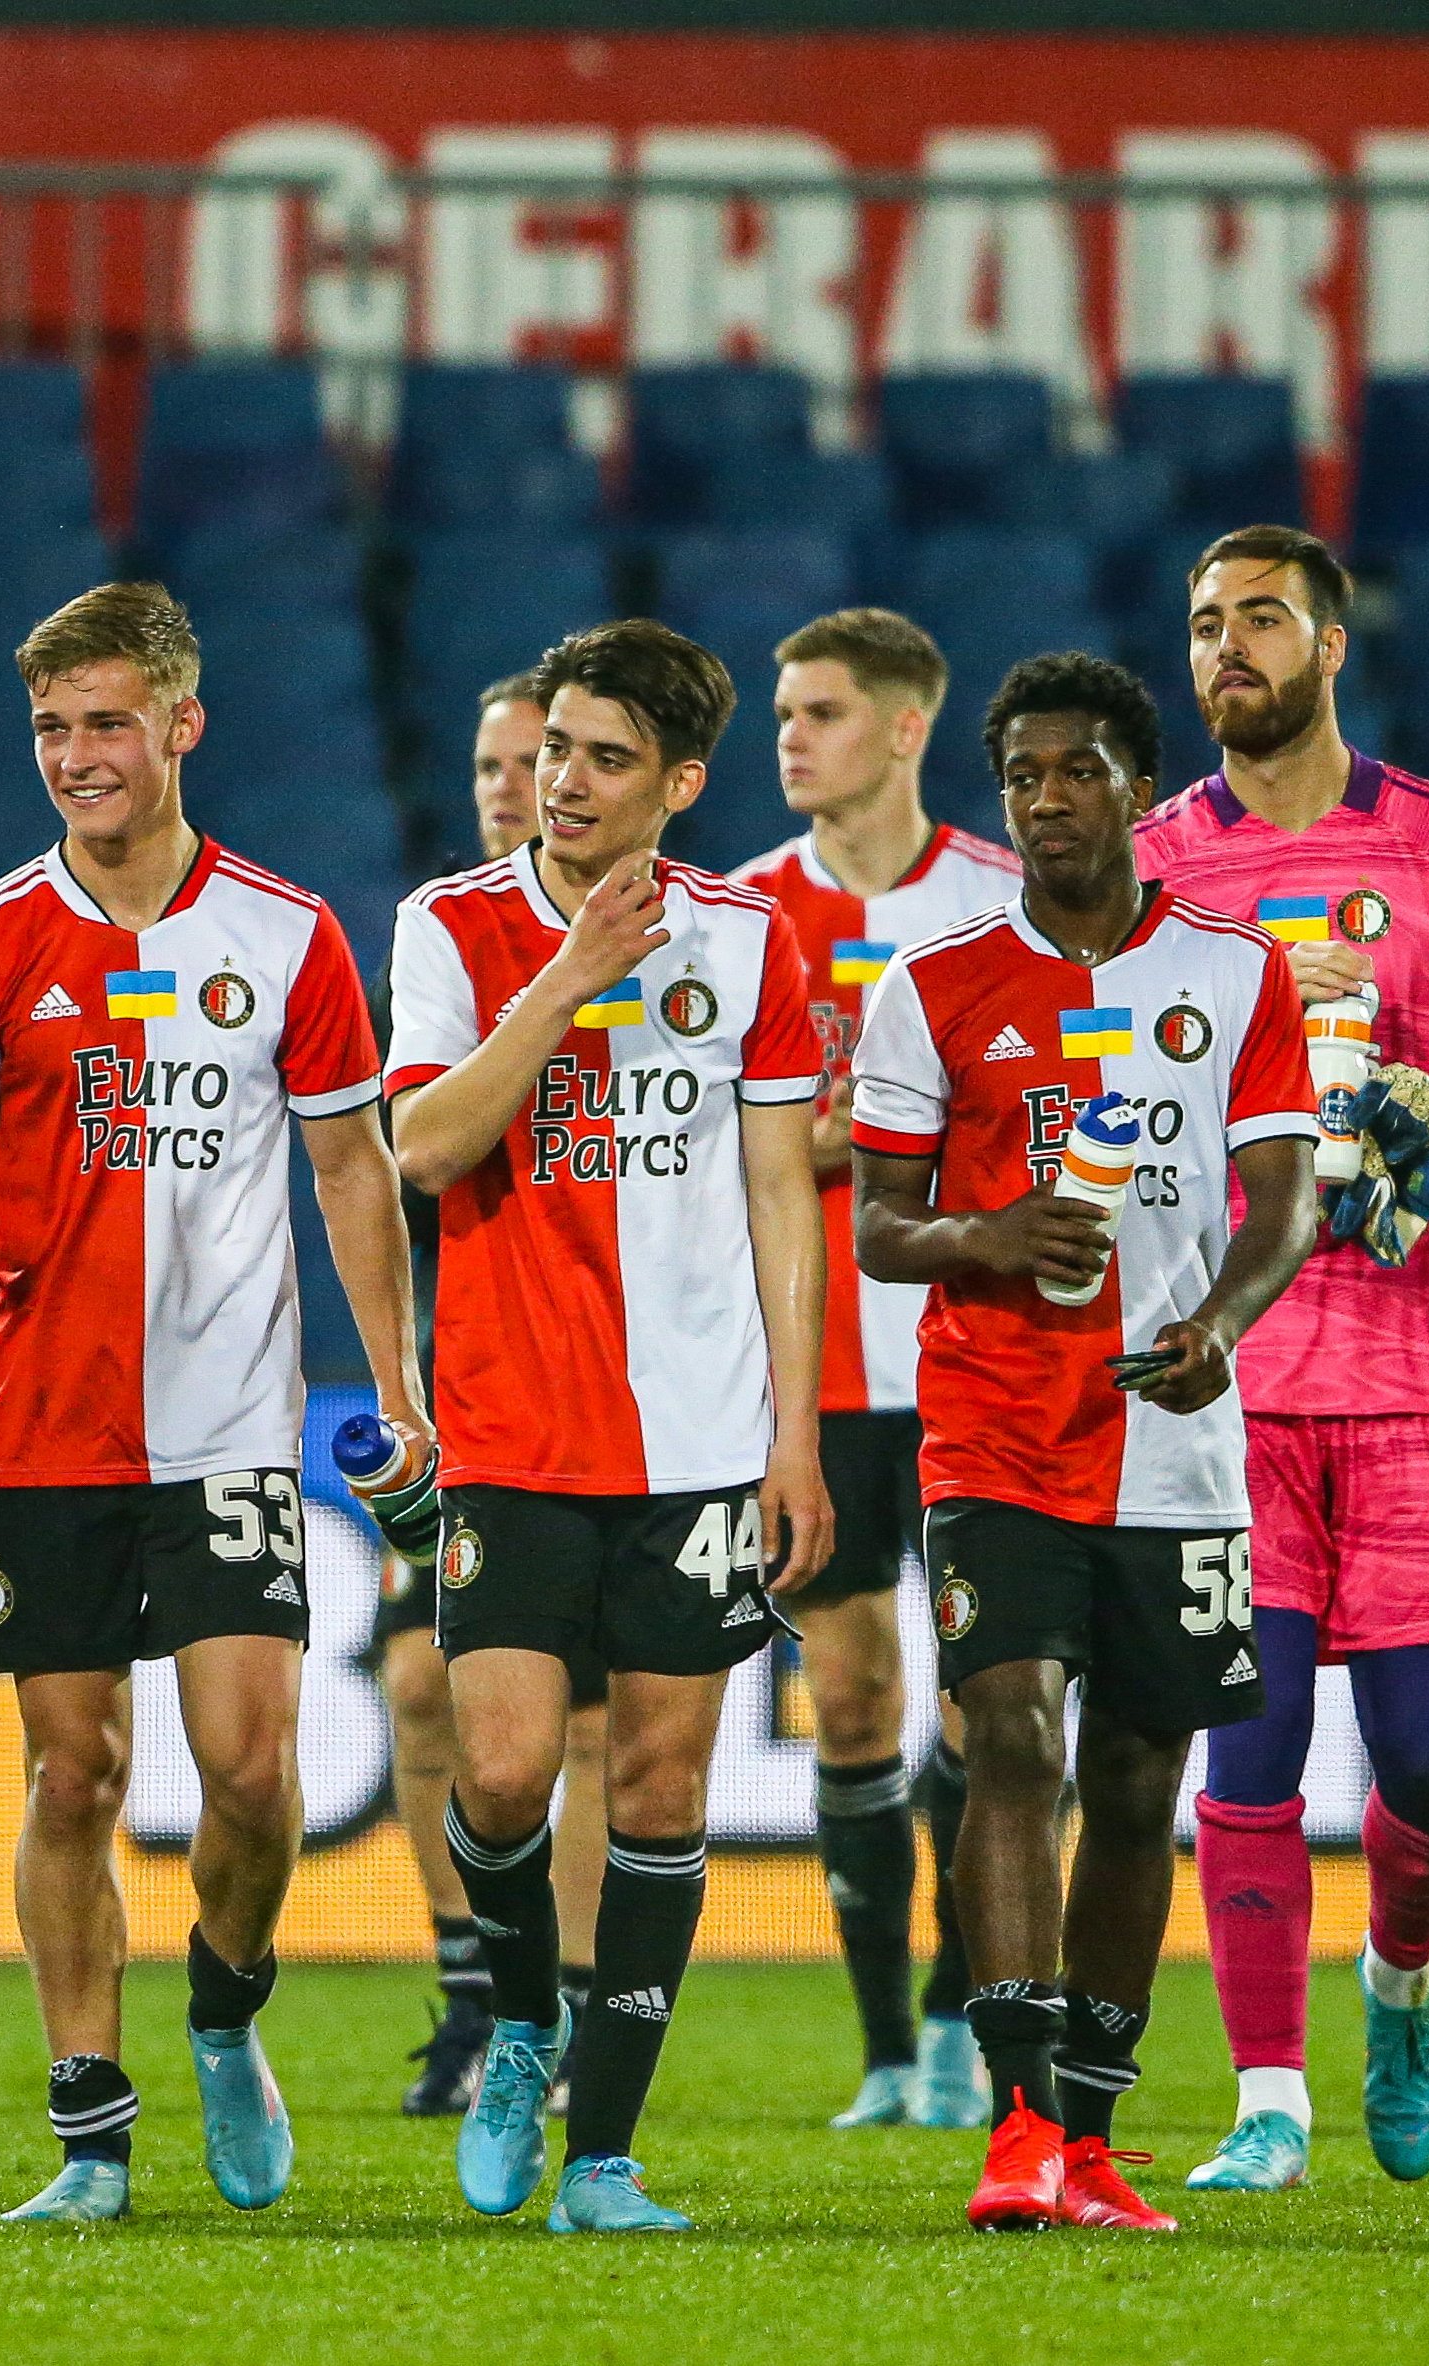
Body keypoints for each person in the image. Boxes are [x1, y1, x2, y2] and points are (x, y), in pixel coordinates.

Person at [0, 583, 427, 2226]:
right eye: (51, 728)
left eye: (105, 723)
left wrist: (396, 1388)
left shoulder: (281, 933)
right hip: (43, 1432)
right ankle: (88, 2131)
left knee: (252, 1773)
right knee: (70, 1775)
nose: (75, 757)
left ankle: (222, 2005)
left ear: (182, 726)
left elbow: (350, 1167)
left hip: (227, 1432)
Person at [852, 649, 1317, 2234]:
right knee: (1011, 1742)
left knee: (1131, 1783)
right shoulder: (929, 983)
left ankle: (1092, 2142)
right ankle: (1013, 2125)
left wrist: (1220, 1327)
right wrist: (985, 1235)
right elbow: (877, 1228)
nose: (1045, 799)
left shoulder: (1234, 974)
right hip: (991, 1431)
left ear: (1135, 785)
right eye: (1020, 778)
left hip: (1171, 1442)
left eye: (1073, 771)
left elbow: (1284, 1195)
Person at [1135, 526, 1429, 2194]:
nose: (1221, 649)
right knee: (1242, 1750)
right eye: (1199, 626)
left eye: (1255, 619)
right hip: (1231, 1376)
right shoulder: (1161, 865)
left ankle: (1396, 1983)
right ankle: (1266, 2101)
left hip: (1407, 1377)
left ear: (1327, 645)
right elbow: (1125, 1096)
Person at [387, 618, 833, 2236]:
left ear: (681, 783)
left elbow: (782, 1187)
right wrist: (570, 978)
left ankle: (602, 2155)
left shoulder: (754, 941)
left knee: (654, 1787)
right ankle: (520, 2017)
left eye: (600, 759)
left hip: (702, 1442)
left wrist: (794, 1435)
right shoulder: (449, 925)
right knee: (501, 1774)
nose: (559, 784)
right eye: (550, 750)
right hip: (510, 1429)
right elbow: (425, 1145)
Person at [734, 610, 1021, 2131]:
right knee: (847, 1700)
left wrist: (871, 1135)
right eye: (783, 711)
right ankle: (884, 2056)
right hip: (815, 1375)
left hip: (975, 1360)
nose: (790, 736)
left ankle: (957, 2014)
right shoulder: (738, 912)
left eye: (822, 711)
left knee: (985, 1702)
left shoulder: (996, 897)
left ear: (906, 727)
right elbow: (720, 1138)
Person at [375, 665, 610, 2121]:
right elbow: (395, 1167)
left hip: (615, 1403)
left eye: (529, 759)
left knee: (585, 1732)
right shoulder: (443, 940)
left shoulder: (648, 946)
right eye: (485, 759)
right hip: (473, 1402)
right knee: (418, 1693)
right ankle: (472, 1985)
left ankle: (563, 1999)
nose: (503, 782)